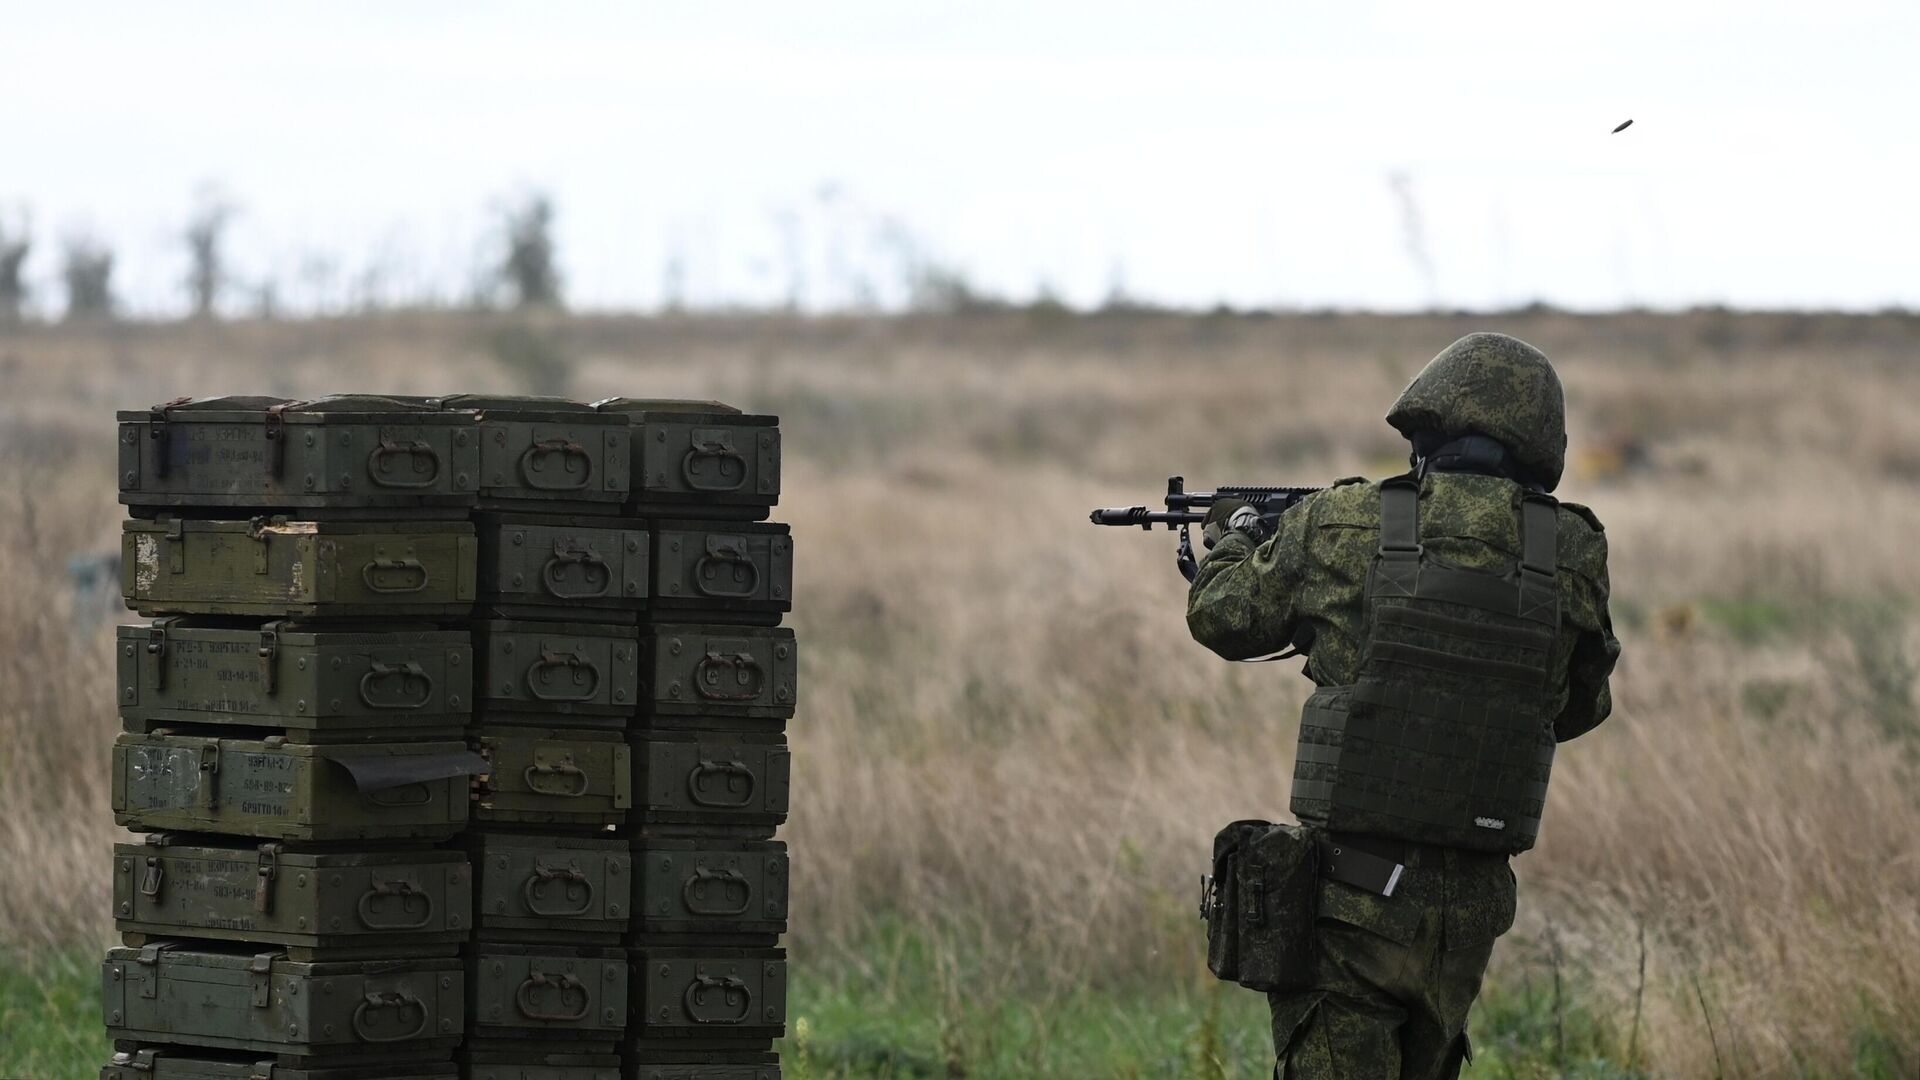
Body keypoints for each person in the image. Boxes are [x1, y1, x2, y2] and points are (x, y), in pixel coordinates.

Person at [1186, 332, 1621, 1079]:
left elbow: (1223, 616)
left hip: (1350, 900)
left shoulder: (1343, 522)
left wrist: (1230, 539)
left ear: (1428, 427)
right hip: (1470, 913)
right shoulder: (1571, 550)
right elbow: (1578, 707)